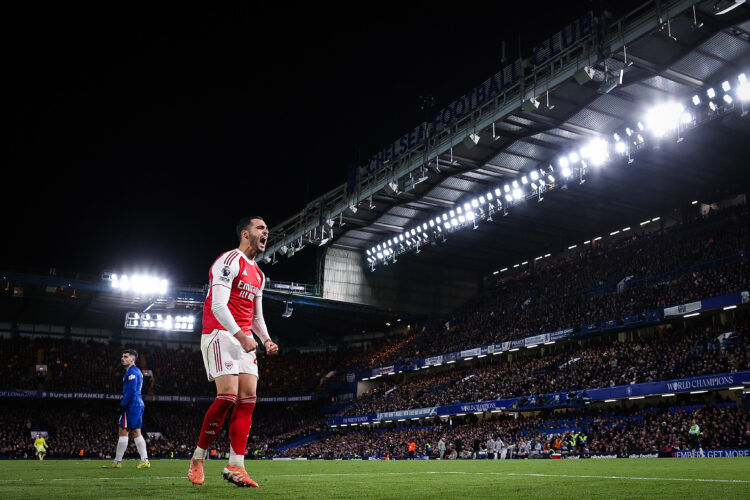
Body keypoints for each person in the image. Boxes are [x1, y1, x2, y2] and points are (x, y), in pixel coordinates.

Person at [189, 216, 279, 488]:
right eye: (261, 228)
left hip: (244, 338)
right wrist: (241, 336)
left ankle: (236, 465)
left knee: (248, 400)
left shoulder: (259, 275)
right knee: (227, 397)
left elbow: (256, 316)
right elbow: (217, 306)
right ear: (245, 233)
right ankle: (198, 456)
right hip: (219, 332)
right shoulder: (228, 261)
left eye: (267, 229)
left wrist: (266, 340)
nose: (266, 232)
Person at [103, 349, 149, 468]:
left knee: (123, 430)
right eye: (122, 356)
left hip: (132, 405)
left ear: (132, 359)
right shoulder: (134, 371)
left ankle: (117, 462)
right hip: (137, 404)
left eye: (125, 356)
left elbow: (132, 391)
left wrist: (122, 404)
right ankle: (144, 460)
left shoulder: (132, 372)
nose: (122, 358)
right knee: (136, 432)